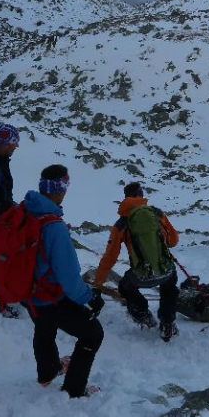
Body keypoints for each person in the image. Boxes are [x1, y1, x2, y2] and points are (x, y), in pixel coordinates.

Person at [24, 164, 104, 398]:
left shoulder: (27, 210)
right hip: (49, 295)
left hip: (29, 290)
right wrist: (89, 298)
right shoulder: (54, 227)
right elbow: (69, 278)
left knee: (44, 327)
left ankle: (47, 372)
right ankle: (74, 390)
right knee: (92, 333)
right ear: (61, 188)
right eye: (66, 185)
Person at [93, 182, 179, 342]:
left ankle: (143, 315)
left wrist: (98, 285)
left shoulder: (121, 224)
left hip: (141, 276)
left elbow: (110, 258)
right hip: (165, 271)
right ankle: (168, 323)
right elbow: (173, 241)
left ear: (126, 198)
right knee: (170, 286)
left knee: (125, 287)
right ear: (141, 195)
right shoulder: (157, 214)